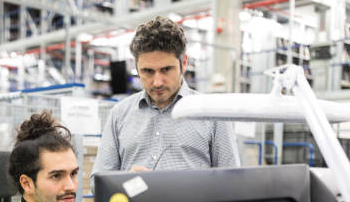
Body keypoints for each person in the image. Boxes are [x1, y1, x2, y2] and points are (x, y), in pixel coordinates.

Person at [91, 15, 240, 189]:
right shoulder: (119, 114)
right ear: (137, 67)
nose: (157, 82)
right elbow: (97, 183)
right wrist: (123, 182)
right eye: (147, 71)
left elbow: (232, 182)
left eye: (166, 69)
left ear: (184, 63)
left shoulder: (212, 114)